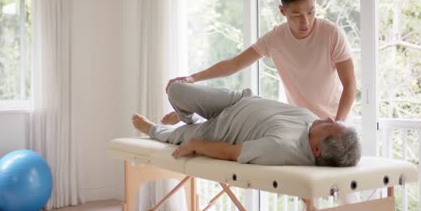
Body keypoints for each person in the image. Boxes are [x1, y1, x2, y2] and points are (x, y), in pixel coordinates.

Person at [165, 0, 356, 122]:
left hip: (335, 120)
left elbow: (349, 84)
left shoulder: (331, 33)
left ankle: (188, 113)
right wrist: (192, 78)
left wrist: (338, 123)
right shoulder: (275, 39)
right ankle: (191, 113)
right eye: (296, 15)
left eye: (311, 11)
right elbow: (234, 64)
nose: (305, 21)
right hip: (301, 122)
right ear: (283, 11)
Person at [134, 82, 361, 167]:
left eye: (330, 126)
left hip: (220, 131)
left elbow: (233, 153)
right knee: (175, 89)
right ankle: (187, 116)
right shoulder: (314, 124)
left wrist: (194, 144)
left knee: (176, 135)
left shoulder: (283, 148)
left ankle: (154, 128)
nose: (329, 119)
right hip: (239, 100)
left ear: (317, 149)